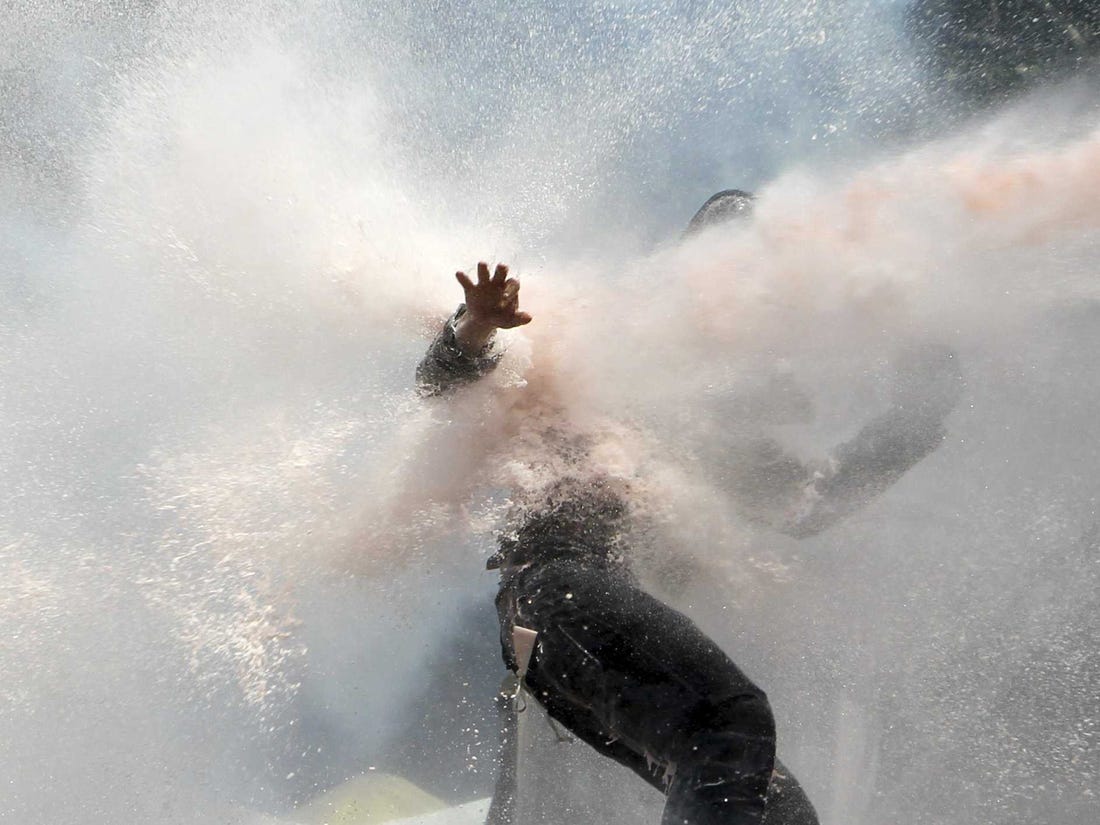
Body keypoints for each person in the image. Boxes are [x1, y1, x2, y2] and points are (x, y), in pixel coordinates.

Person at [416, 262, 817, 825]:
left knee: (777, 805)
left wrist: (916, 418)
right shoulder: (586, 365)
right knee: (728, 722)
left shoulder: (694, 428)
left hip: (557, 633)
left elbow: (810, 506)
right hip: (555, 590)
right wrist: (478, 323)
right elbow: (445, 381)